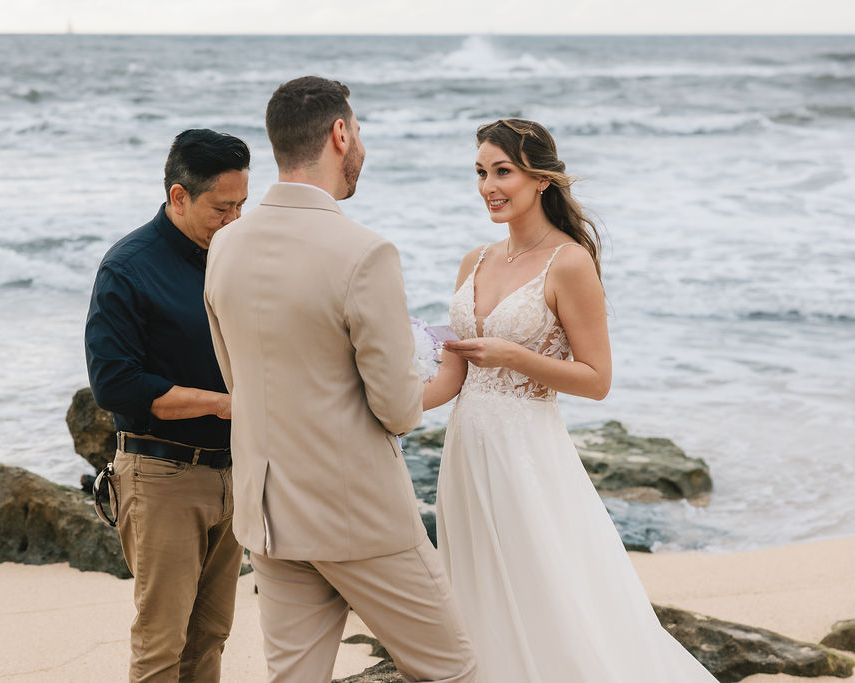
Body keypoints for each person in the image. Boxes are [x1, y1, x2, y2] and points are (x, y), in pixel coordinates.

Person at [423, 118, 717, 681]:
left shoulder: (570, 263)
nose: (489, 185)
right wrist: (389, 404)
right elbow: (450, 377)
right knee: (478, 582)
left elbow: (596, 378)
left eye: (502, 171)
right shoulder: (474, 261)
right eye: (481, 172)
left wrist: (514, 356)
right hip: (466, 449)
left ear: (542, 179)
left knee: (542, 584)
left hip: (527, 450)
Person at [204, 76, 477, 683]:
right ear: (339, 133)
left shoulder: (225, 245)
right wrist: (450, 373)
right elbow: (398, 410)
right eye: (359, 133)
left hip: (270, 515)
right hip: (360, 519)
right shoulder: (365, 253)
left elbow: (237, 379)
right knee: (455, 672)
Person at [85, 128, 250, 682]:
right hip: (161, 477)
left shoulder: (234, 255)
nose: (235, 219)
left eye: (243, 205)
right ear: (179, 196)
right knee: (161, 646)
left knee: (210, 639)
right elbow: (115, 384)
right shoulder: (127, 267)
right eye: (222, 207)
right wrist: (226, 405)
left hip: (235, 475)